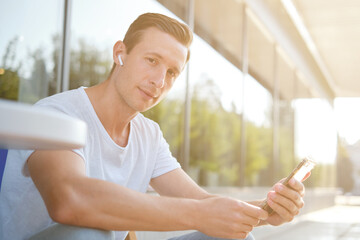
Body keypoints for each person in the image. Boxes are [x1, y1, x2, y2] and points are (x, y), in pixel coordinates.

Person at [0, 13, 306, 240]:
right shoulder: (60, 114)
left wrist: (267, 212)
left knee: (232, 237)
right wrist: (201, 214)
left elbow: (202, 203)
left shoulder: (149, 134)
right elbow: (70, 201)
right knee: (89, 235)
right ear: (120, 53)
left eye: (172, 72)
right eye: (152, 60)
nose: (160, 81)